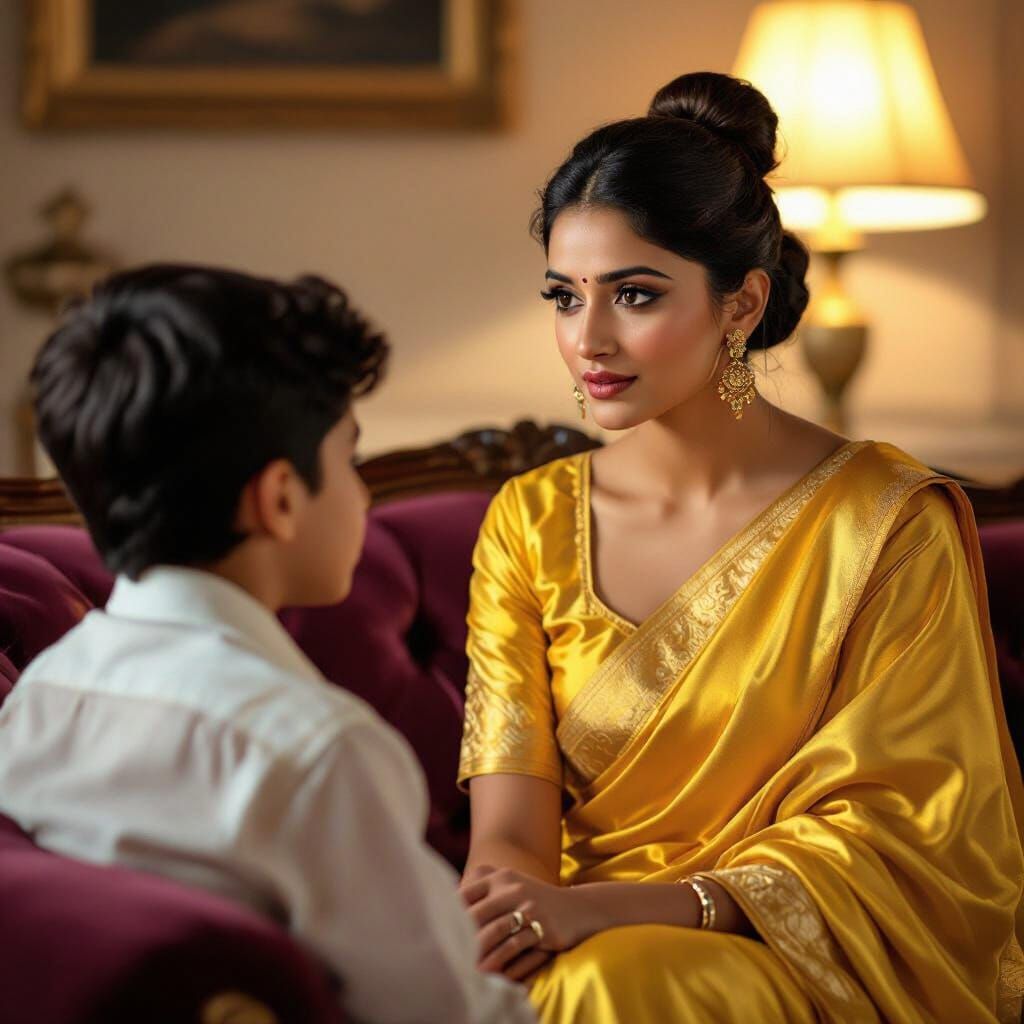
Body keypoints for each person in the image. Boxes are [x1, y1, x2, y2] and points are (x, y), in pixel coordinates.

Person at [456, 72, 1024, 1023]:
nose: (587, 339)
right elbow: (509, 836)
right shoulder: (530, 518)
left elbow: (908, 832)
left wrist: (613, 912)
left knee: (615, 981)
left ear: (741, 305)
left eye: (634, 294)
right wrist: (515, 923)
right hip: (562, 939)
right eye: (564, 296)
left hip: (794, 951)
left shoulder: (884, 519)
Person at [0, 265, 534, 1024]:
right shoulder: (313, 751)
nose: (360, 492)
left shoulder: (38, 700)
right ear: (280, 498)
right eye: (349, 461)